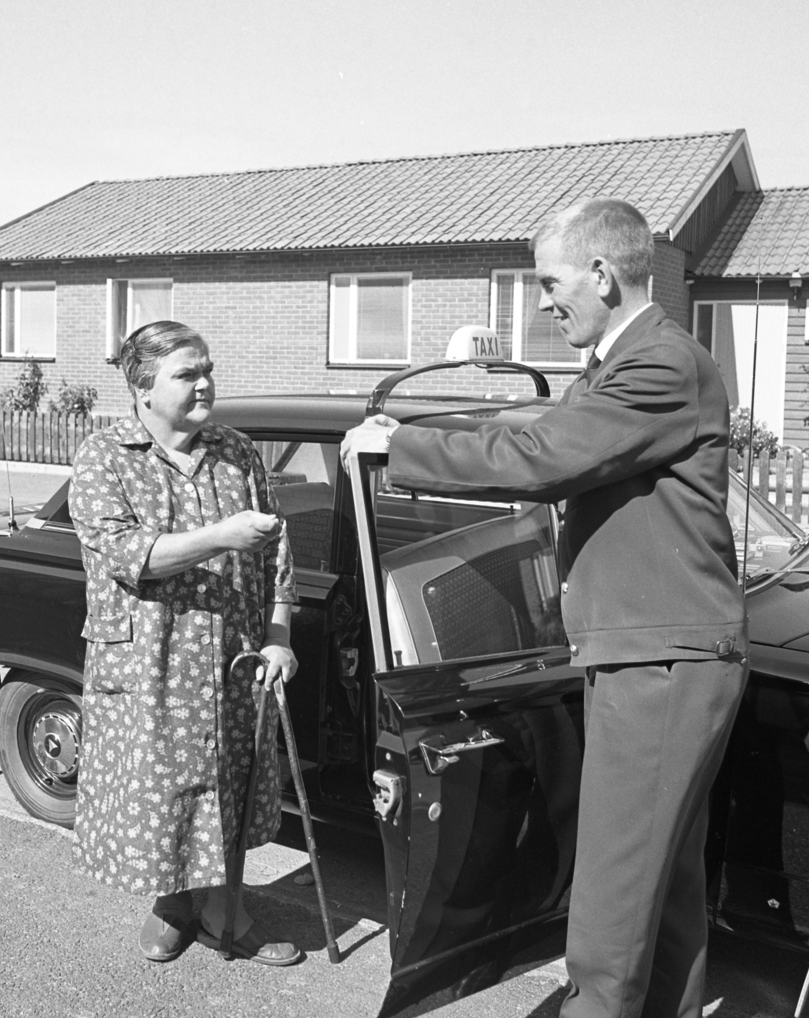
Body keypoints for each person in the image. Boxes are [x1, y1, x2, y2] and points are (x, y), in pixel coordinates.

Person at [342, 198, 748, 1018]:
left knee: (612, 896)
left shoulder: (659, 363)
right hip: (654, 653)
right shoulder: (621, 366)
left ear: (601, 274)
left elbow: (545, 456)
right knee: (661, 882)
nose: (543, 301)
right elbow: (551, 443)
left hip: (659, 660)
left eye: (550, 282)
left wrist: (401, 444)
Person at [69, 320, 301, 966]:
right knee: (164, 791)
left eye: (207, 370)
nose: (204, 384)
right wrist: (221, 536)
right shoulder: (105, 457)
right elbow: (127, 555)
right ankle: (173, 904)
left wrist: (279, 636)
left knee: (231, 784)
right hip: (152, 666)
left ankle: (227, 910)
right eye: (187, 374)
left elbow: (278, 553)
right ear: (143, 388)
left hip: (233, 659)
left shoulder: (237, 452)